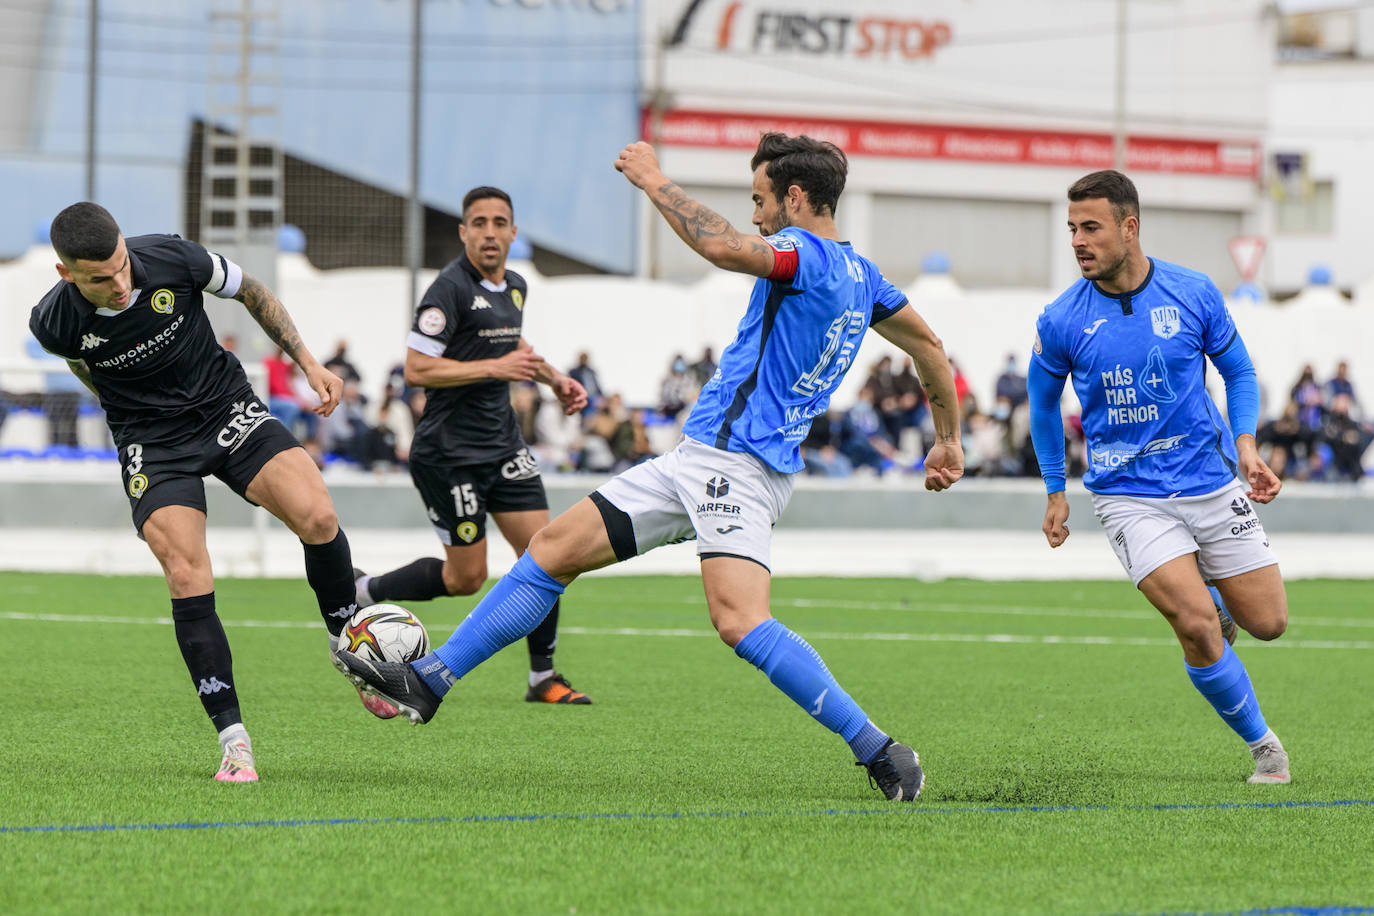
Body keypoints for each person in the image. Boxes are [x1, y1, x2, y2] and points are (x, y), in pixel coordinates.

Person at [335, 133, 964, 802]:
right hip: (701, 460)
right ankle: (429, 682)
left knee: (741, 621)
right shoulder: (864, 276)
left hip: (736, 468)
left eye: (760, 200)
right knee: (550, 551)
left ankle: (879, 750)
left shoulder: (804, 253)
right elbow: (928, 343)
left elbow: (722, 246)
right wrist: (947, 437)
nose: (755, 215)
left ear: (796, 198)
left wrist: (652, 180)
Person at [28, 202, 389, 784]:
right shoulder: (52, 322)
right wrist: (126, 415)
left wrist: (307, 363)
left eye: (122, 265)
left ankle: (346, 643)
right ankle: (234, 741)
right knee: (188, 573)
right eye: (101, 278)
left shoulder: (172, 257)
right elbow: (81, 366)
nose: (121, 284)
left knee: (318, 516)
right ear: (66, 274)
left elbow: (254, 292)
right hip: (153, 440)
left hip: (224, 407)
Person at [1026, 170, 1292, 786]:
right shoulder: (1062, 318)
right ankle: (1265, 749)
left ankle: (1216, 594)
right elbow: (1042, 405)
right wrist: (1056, 490)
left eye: (1090, 227)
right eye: (1071, 229)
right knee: (1196, 626)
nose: (1078, 241)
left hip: (1211, 482)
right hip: (1128, 497)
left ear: (1129, 226)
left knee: (1270, 623)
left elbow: (1240, 374)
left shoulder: (1193, 292)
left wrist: (1248, 448)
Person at [351, 186, 593, 705]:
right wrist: (494, 368)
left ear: (512, 232)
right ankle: (365, 591)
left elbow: (514, 346)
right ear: (463, 232)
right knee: (466, 578)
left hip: (504, 446)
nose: (489, 232)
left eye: (499, 222)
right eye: (478, 223)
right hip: (448, 454)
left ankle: (542, 678)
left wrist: (556, 379)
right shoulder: (448, 291)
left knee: (546, 555)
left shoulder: (517, 287)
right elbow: (417, 369)